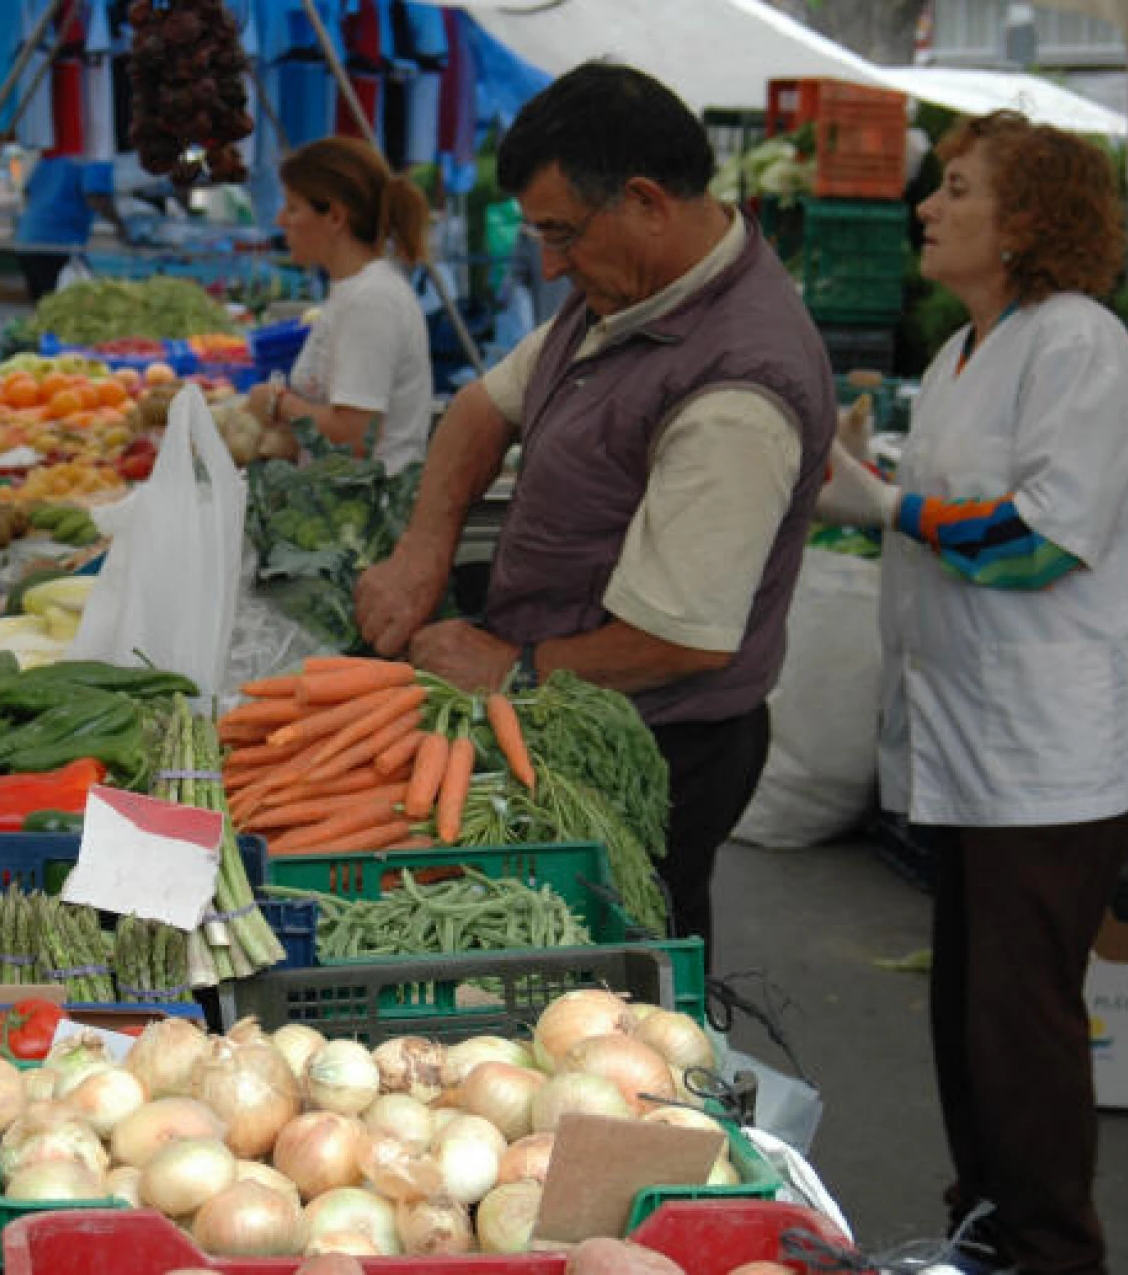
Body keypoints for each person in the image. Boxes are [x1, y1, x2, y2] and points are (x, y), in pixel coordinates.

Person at [813, 111, 1128, 1275]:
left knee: (1020, 1022)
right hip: (976, 736)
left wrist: (883, 503)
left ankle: (1052, 1249)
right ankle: (987, 1225)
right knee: (971, 1014)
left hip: (1056, 748)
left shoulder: (1079, 345)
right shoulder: (974, 346)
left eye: (959, 188)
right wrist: (881, 477)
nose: (928, 206)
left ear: (1028, 223)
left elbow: (1036, 543)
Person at [354, 62, 836, 951]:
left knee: (624, 979)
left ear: (646, 201)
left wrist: (512, 667)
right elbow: (481, 407)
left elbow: (682, 638)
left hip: (655, 747)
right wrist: (423, 552)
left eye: (562, 233)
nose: (549, 262)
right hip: (567, 708)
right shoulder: (628, 290)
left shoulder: (739, 387)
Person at [243, 137, 433, 473]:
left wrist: (278, 403)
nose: (280, 221)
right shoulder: (354, 291)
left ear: (334, 216)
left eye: (292, 208)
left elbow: (354, 437)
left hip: (367, 516)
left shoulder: (371, 301)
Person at [15, 154, 121, 301]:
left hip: (27, 239)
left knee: (43, 305)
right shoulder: (97, 157)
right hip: (57, 243)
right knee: (63, 305)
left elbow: (27, 191)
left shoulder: (52, 157)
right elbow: (96, 197)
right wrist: (122, 227)